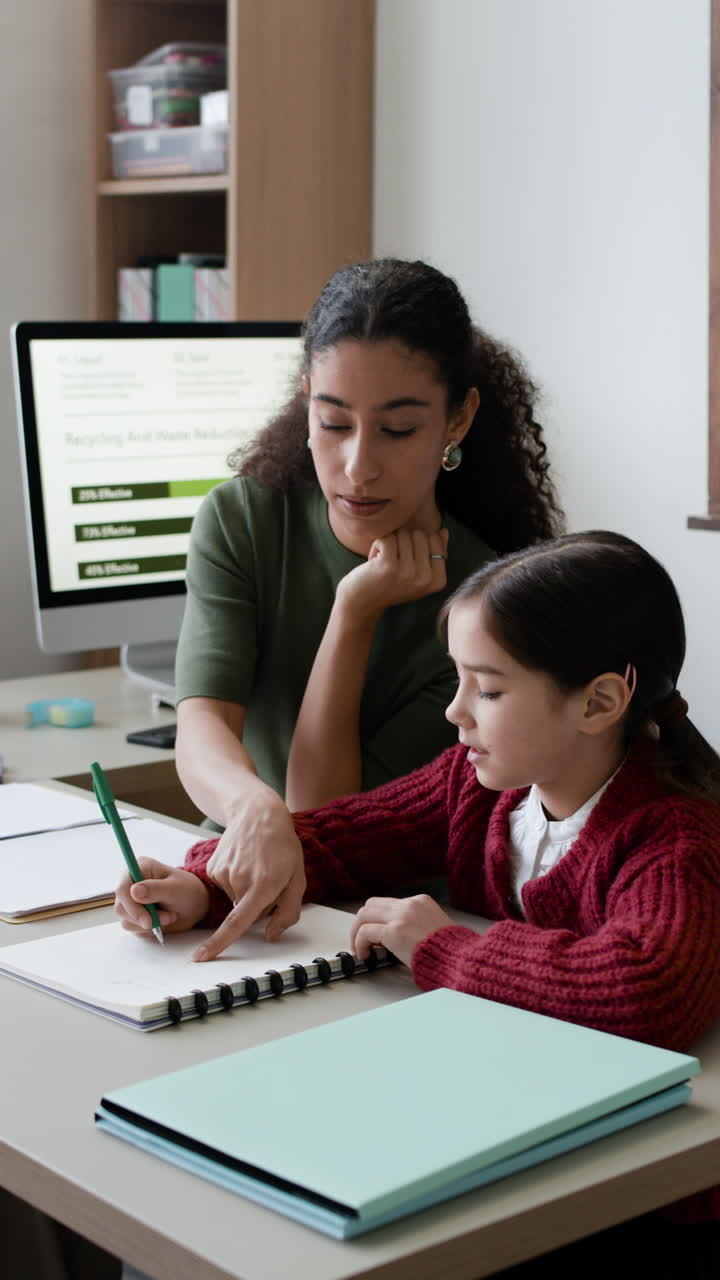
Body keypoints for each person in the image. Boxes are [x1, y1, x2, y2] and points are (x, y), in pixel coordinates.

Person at [118, 530, 720, 1276]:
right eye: (459, 682)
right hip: (512, 1121)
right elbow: (334, 840)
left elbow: (648, 990)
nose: (457, 712)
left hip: (637, 1195)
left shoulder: (676, 836)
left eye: (489, 690)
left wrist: (447, 949)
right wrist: (205, 885)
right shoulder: (477, 787)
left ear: (598, 701)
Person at [173, 256, 562, 957]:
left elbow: (322, 818)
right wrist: (248, 805)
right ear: (306, 404)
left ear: (457, 419)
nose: (357, 466)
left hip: (373, 924)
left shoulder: (492, 600)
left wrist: (354, 614)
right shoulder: (241, 519)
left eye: (397, 430)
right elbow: (201, 727)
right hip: (228, 877)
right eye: (333, 423)